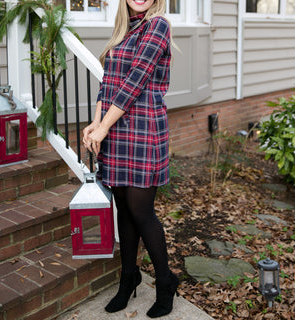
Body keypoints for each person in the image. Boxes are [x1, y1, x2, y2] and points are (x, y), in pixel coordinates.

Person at [83, 0, 178, 317]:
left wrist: (103, 127)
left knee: (141, 211)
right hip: (115, 131)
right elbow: (108, 82)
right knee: (123, 206)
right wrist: (96, 123)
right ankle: (129, 278)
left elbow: (135, 81)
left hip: (142, 132)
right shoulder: (125, 28)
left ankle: (165, 281)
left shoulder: (157, 26)